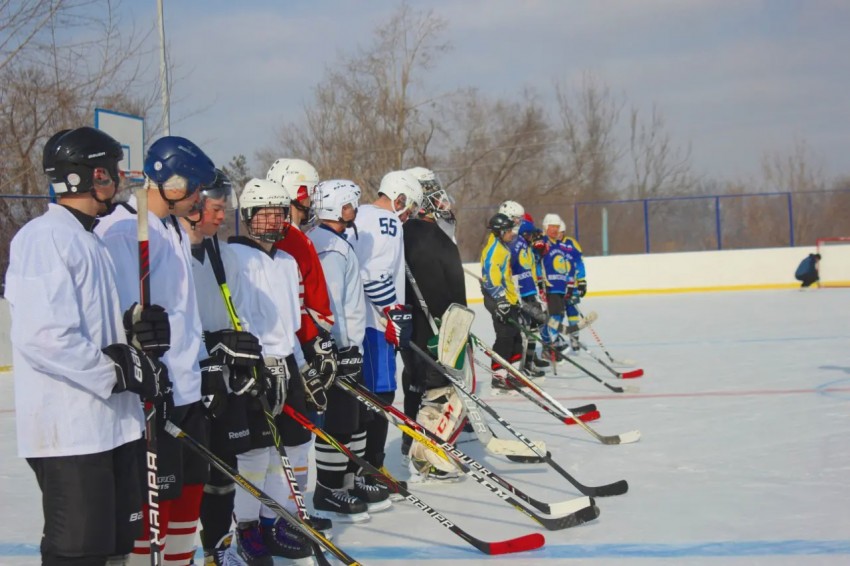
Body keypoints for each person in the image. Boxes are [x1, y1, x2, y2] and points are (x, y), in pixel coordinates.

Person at [6, 127, 171, 566]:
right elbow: (43, 334)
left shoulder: (89, 239)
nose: (117, 179)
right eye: (112, 171)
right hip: (71, 434)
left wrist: (134, 334)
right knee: (77, 552)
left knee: (114, 545)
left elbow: (93, 327)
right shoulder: (45, 238)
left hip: (109, 427)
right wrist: (114, 370)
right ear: (92, 175)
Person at [95, 135, 216, 566]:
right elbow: (119, 319)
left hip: (186, 391)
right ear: (174, 183)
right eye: (196, 187)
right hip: (153, 394)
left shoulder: (173, 230)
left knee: (187, 501)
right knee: (153, 512)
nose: (200, 197)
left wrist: (205, 360)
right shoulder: (123, 230)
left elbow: (181, 313)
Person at [218, 177, 319, 564]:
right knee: (256, 452)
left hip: (287, 363)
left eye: (280, 212)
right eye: (265, 213)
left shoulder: (289, 261)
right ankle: (245, 530)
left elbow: (291, 324)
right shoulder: (235, 256)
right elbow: (236, 317)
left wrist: (304, 366)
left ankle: (274, 519)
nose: (274, 219)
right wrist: (253, 365)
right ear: (248, 216)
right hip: (254, 366)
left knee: (295, 445)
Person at [308, 179, 388, 519]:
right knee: (340, 421)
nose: (354, 210)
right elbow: (332, 304)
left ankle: (349, 480)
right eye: (349, 205)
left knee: (357, 419)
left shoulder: (337, 242)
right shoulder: (328, 246)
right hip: (340, 350)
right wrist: (342, 348)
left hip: (349, 347)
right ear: (337, 206)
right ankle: (328, 490)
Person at [266, 158, 340, 512]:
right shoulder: (288, 237)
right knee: (292, 435)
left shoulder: (295, 236)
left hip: (305, 344)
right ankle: (287, 512)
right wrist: (312, 343)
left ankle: (294, 509)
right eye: (308, 194)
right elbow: (293, 305)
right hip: (296, 349)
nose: (311, 202)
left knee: (301, 434)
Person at [347, 170, 421, 480]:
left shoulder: (360, 214)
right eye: (411, 206)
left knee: (365, 398)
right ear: (399, 198)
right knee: (379, 396)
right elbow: (376, 274)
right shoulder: (387, 221)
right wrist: (393, 312)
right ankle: (371, 470)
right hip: (374, 325)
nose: (410, 215)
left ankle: (359, 470)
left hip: (355, 322)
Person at [400, 167, 465, 482]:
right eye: (430, 189)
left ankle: (417, 444)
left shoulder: (432, 231)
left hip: (436, 322)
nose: (439, 197)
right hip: (428, 325)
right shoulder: (416, 233)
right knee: (436, 386)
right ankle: (425, 454)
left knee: (426, 384)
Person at [500, 202, 547, 378]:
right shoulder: (511, 241)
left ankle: (529, 363)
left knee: (534, 328)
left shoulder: (522, 242)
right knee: (522, 332)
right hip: (519, 294)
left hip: (529, 292)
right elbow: (508, 269)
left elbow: (529, 267)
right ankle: (521, 366)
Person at [480, 212, 526, 392]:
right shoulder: (494, 250)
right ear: (499, 232)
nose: (512, 233)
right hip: (497, 300)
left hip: (508, 299)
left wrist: (513, 299)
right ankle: (499, 376)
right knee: (505, 337)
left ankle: (513, 374)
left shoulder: (502, 247)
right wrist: (501, 300)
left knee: (515, 337)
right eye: (508, 231)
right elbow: (491, 279)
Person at [539, 213, 572, 357]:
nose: (554, 229)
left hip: (560, 287)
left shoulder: (560, 246)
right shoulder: (543, 243)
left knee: (558, 315)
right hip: (550, 287)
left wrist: (569, 284)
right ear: (546, 227)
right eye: (552, 226)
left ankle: (554, 342)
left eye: (557, 227)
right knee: (551, 316)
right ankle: (551, 344)